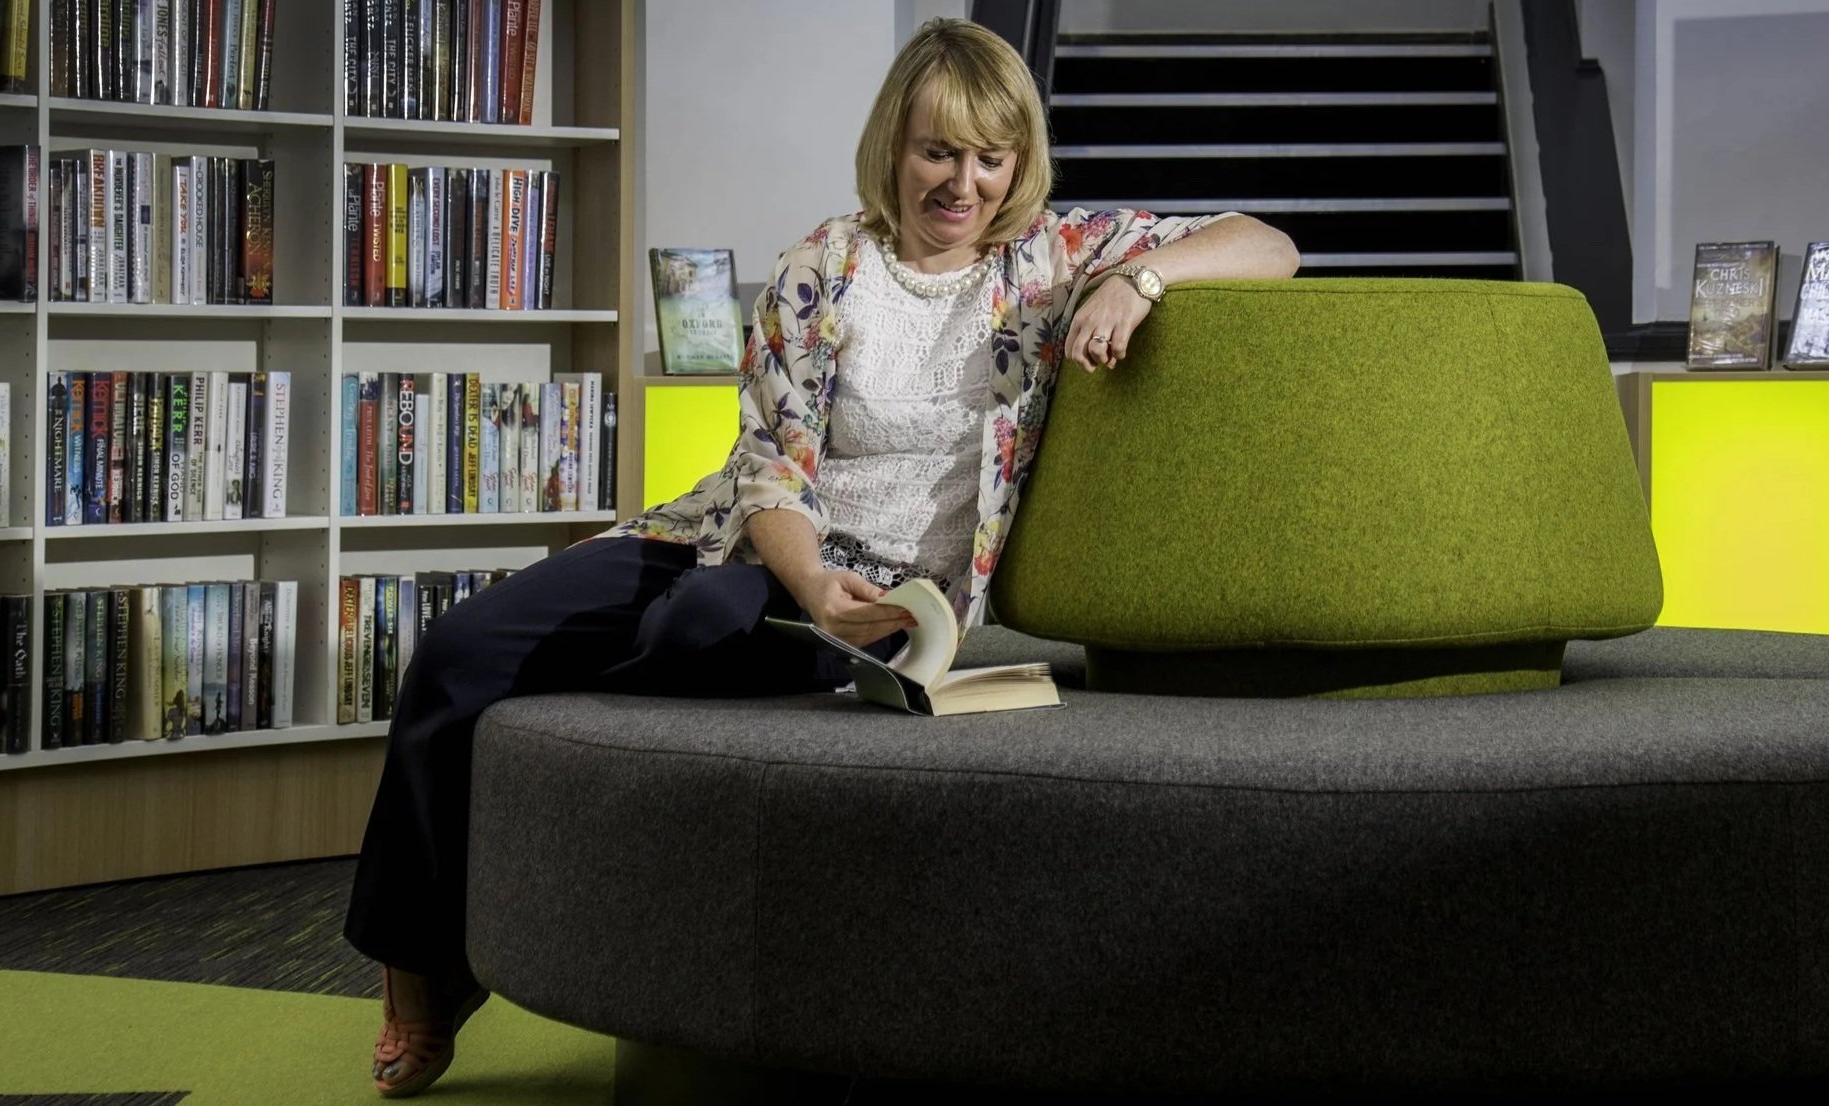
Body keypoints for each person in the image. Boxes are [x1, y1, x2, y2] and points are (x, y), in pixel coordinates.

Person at [345, 17, 1299, 1098]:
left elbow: (1266, 240)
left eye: (992, 156)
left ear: (1020, 162)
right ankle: (421, 969)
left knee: (694, 629)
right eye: (940, 151)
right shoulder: (823, 266)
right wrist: (804, 579)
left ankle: (483, 889)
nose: (964, 182)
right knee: (460, 646)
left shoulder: (1046, 261)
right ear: (895, 145)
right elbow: (769, 472)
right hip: (740, 540)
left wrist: (1141, 284)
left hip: (890, 591)